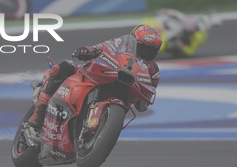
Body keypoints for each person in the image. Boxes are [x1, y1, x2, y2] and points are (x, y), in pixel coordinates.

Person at [28, 25, 162, 130]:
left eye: (152, 50)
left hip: (123, 96)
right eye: (143, 47)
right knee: (64, 67)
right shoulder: (120, 44)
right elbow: (101, 47)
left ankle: (101, 130)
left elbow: (144, 101)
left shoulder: (153, 71)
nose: (146, 53)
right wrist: (87, 50)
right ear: (133, 42)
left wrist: (143, 98)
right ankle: (38, 114)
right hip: (99, 74)